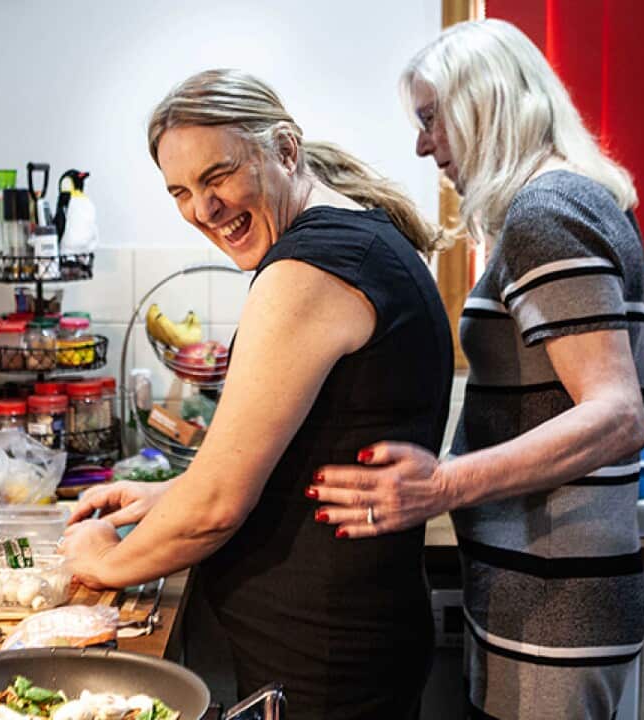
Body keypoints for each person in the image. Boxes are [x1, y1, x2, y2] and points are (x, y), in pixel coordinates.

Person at [59, 68, 453, 720]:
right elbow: (302, 455)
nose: (202, 210)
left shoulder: (310, 269)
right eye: (181, 191)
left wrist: (104, 564)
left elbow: (217, 506)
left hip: (323, 658)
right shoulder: (353, 240)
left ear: (287, 150)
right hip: (343, 639)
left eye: (218, 178)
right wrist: (163, 497)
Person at [312, 19, 644, 719]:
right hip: (544, 591)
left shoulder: (547, 214)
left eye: (433, 118)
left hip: (554, 602)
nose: (422, 143)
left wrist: (444, 484)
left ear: (487, 103)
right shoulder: (569, 202)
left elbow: (617, 416)